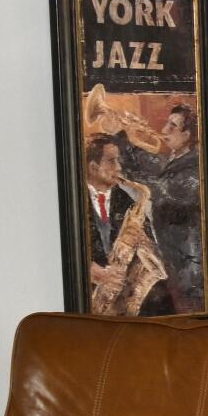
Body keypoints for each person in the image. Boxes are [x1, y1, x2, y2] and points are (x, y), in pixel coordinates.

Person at [81, 133, 173, 316]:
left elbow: (153, 251)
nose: (119, 167)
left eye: (118, 161)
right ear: (93, 167)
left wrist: (142, 240)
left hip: (123, 289)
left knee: (162, 300)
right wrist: (90, 270)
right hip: (89, 295)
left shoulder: (127, 201)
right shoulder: (73, 203)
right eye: (112, 161)